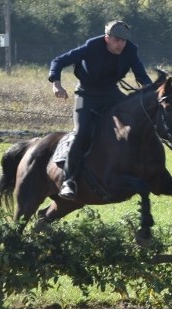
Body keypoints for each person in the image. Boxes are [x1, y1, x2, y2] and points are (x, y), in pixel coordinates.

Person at [48, 20, 153, 200]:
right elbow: (59, 61)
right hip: (87, 95)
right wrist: (56, 84)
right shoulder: (92, 46)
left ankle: (145, 166)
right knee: (81, 133)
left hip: (111, 94)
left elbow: (141, 75)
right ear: (107, 38)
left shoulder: (130, 50)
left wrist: (151, 93)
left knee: (137, 121)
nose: (121, 44)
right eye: (117, 40)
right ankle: (69, 181)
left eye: (124, 40)